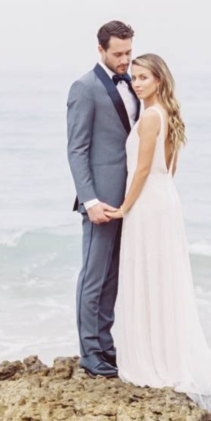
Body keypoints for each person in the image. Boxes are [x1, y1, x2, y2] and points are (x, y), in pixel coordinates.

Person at [106, 54, 211, 421]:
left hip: (147, 203)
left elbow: (140, 170)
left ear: (159, 80)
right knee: (159, 276)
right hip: (164, 198)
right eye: (134, 77)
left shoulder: (151, 117)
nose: (137, 83)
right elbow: (169, 169)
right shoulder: (166, 114)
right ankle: (162, 348)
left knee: (149, 276)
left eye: (143, 78)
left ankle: (155, 356)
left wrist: (123, 208)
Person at [65, 21, 140, 378]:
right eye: (118, 54)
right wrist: (90, 200)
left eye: (128, 52)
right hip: (100, 201)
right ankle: (89, 353)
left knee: (113, 276)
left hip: (129, 198)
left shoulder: (134, 84)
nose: (125, 60)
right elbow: (77, 149)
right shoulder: (84, 87)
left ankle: (106, 346)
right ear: (101, 51)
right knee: (93, 277)